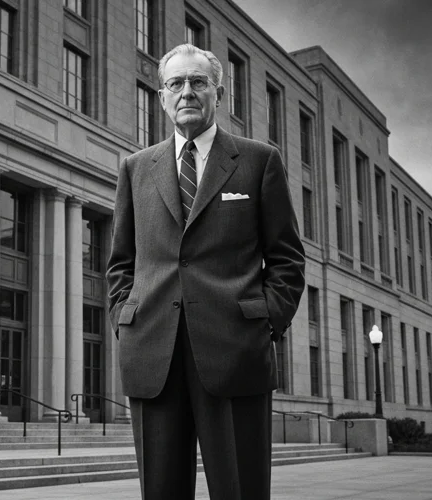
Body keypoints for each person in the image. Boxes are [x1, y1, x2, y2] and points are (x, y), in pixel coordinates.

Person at [106, 43, 306, 500]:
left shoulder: (259, 160)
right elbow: (121, 261)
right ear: (162, 97)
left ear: (219, 92)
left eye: (198, 82)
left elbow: (287, 258)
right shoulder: (136, 169)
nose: (187, 92)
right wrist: (125, 319)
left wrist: (266, 321)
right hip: (153, 350)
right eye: (176, 83)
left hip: (235, 350)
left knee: (241, 490)